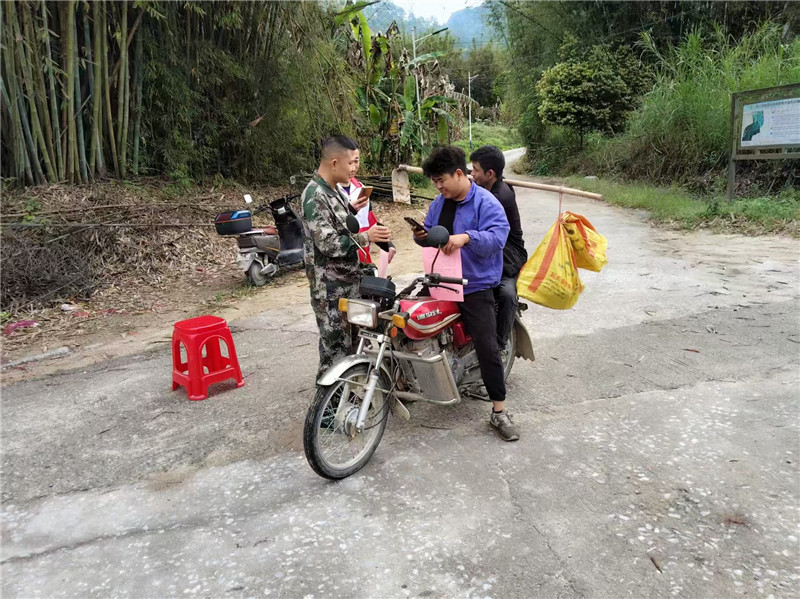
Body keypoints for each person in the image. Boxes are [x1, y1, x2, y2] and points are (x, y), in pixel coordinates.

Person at [414, 146, 519, 442]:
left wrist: (467, 238)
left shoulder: (487, 202)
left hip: (475, 284)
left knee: (487, 346)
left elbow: (498, 238)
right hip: (441, 279)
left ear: (459, 174)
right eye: (434, 182)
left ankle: (499, 410)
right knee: (410, 323)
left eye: (441, 180)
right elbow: (429, 235)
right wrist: (421, 235)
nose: (438, 186)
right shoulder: (440, 203)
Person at [299, 135, 391, 378]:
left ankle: (348, 402)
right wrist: (366, 237)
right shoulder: (314, 195)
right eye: (351, 163)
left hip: (346, 283)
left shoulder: (334, 191)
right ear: (333, 162)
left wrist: (351, 209)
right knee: (334, 355)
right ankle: (326, 414)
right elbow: (328, 244)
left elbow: (336, 224)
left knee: (350, 349)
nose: (354, 168)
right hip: (330, 291)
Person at [469, 145, 527, 351]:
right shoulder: (487, 189)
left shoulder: (500, 197)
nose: (472, 174)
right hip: (491, 249)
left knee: (506, 293)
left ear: (490, 173)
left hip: (508, 254)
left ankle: (499, 345)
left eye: (475, 170)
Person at [337, 147, 396, 270]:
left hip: (364, 260)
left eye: (356, 161)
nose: (353, 167)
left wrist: (387, 244)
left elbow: (370, 222)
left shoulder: (361, 188)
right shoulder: (329, 193)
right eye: (349, 162)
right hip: (340, 266)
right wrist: (350, 209)